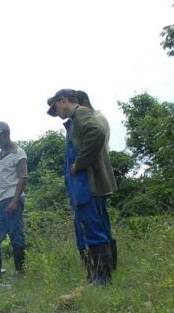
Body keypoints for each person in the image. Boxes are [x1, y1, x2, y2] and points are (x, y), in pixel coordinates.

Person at [47, 89, 118, 285]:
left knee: (94, 228)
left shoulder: (81, 113)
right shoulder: (74, 120)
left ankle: (103, 278)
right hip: (80, 187)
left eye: (56, 107)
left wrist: (80, 163)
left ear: (63, 101)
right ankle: (96, 275)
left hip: (87, 185)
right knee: (88, 228)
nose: (57, 113)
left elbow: (97, 132)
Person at [75, 90, 117, 271]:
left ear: (82, 102)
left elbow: (95, 139)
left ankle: (101, 272)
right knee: (101, 222)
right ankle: (109, 267)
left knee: (93, 225)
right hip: (99, 177)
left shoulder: (90, 117)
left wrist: (79, 163)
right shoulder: (99, 117)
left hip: (92, 176)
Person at [0, 122, 27, 279]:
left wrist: (15, 201)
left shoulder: (18, 153)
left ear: (6, 134)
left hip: (12, 199)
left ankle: (20, 272)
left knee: (16, 237)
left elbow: (23, 178)